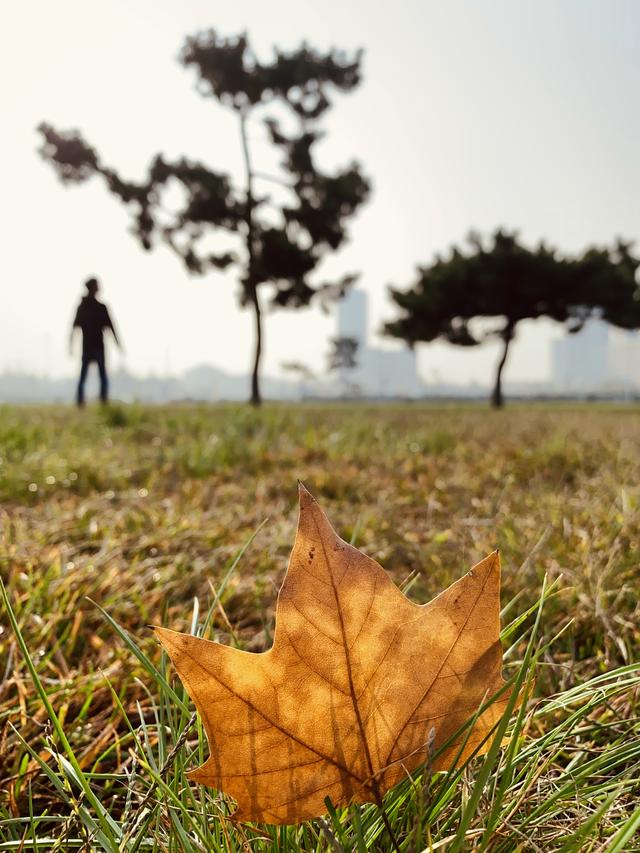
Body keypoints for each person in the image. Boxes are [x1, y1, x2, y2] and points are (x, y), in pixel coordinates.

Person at [70, 277, 122, 407]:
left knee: (90, 376)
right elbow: (111, 327)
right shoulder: (97, 307)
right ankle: (96, 400)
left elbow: (110, 326)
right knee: (98, 376)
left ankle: (85, 400)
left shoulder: (89, 307)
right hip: (94, 346)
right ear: (93, 288)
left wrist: (71, 344)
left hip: (90, 346)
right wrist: (117, 343)